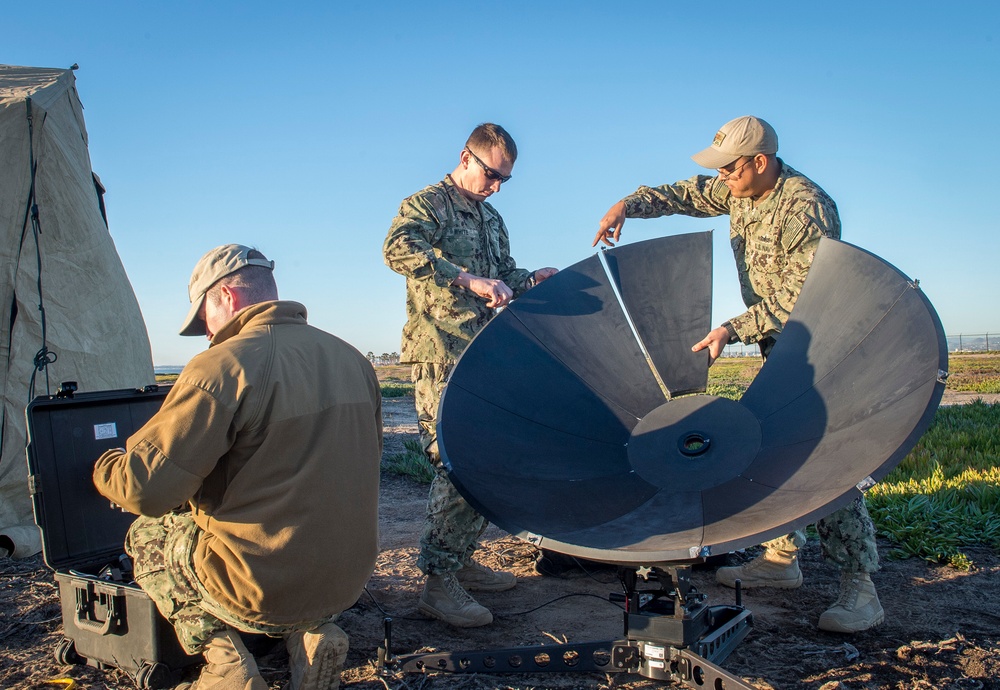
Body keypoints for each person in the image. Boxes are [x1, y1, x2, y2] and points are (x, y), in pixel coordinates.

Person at [592, 115, 883, 634]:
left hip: (817, 347)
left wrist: (733, 327)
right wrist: (628, 206)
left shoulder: (805, 206)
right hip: (778, 347)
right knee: (774, 447)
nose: (721, 177)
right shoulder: (738, 190)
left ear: (760, 162)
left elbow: (806, 292)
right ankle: (780, 561)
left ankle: (860, 587)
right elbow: (685, 193)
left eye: (729, 168)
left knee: (824, 464)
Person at [93, 244, 382, 689]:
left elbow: (144, 492)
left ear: (225, 296)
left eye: (203, 317)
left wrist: (103, 467)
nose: (207, 333)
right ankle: (309, 632)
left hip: (259, 588)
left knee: (148, 535)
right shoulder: (353, 359)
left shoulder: (222, 365)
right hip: (346, 582)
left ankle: (223, 660)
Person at [383, 123, 557, 628]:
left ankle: (459, 563)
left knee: (485, 460)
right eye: (491, 174)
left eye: (505, 179)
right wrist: (463, 277)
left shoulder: (492, 218)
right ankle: (438, 583)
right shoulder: (428, 204)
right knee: (454, 466)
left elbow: (502, 275)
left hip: (483, 355)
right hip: (440, 352)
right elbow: (396, 249)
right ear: (466, 157)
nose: (496, 186)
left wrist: (530, 280)